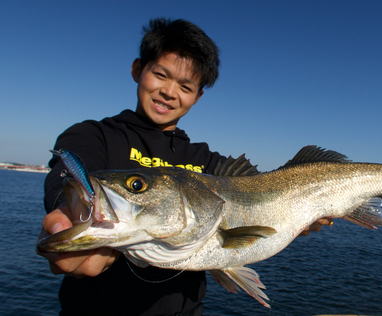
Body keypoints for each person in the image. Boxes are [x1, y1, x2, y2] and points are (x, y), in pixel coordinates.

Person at [37, 18, 331, 316]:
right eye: (160, 75)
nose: (169, 92)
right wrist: (67, 212)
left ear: (198, 95)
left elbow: (258, 207)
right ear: (138, 70)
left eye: (185, 86)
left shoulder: (209, 163)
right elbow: (68, 177)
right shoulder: (92, 135)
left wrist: (301, 216)